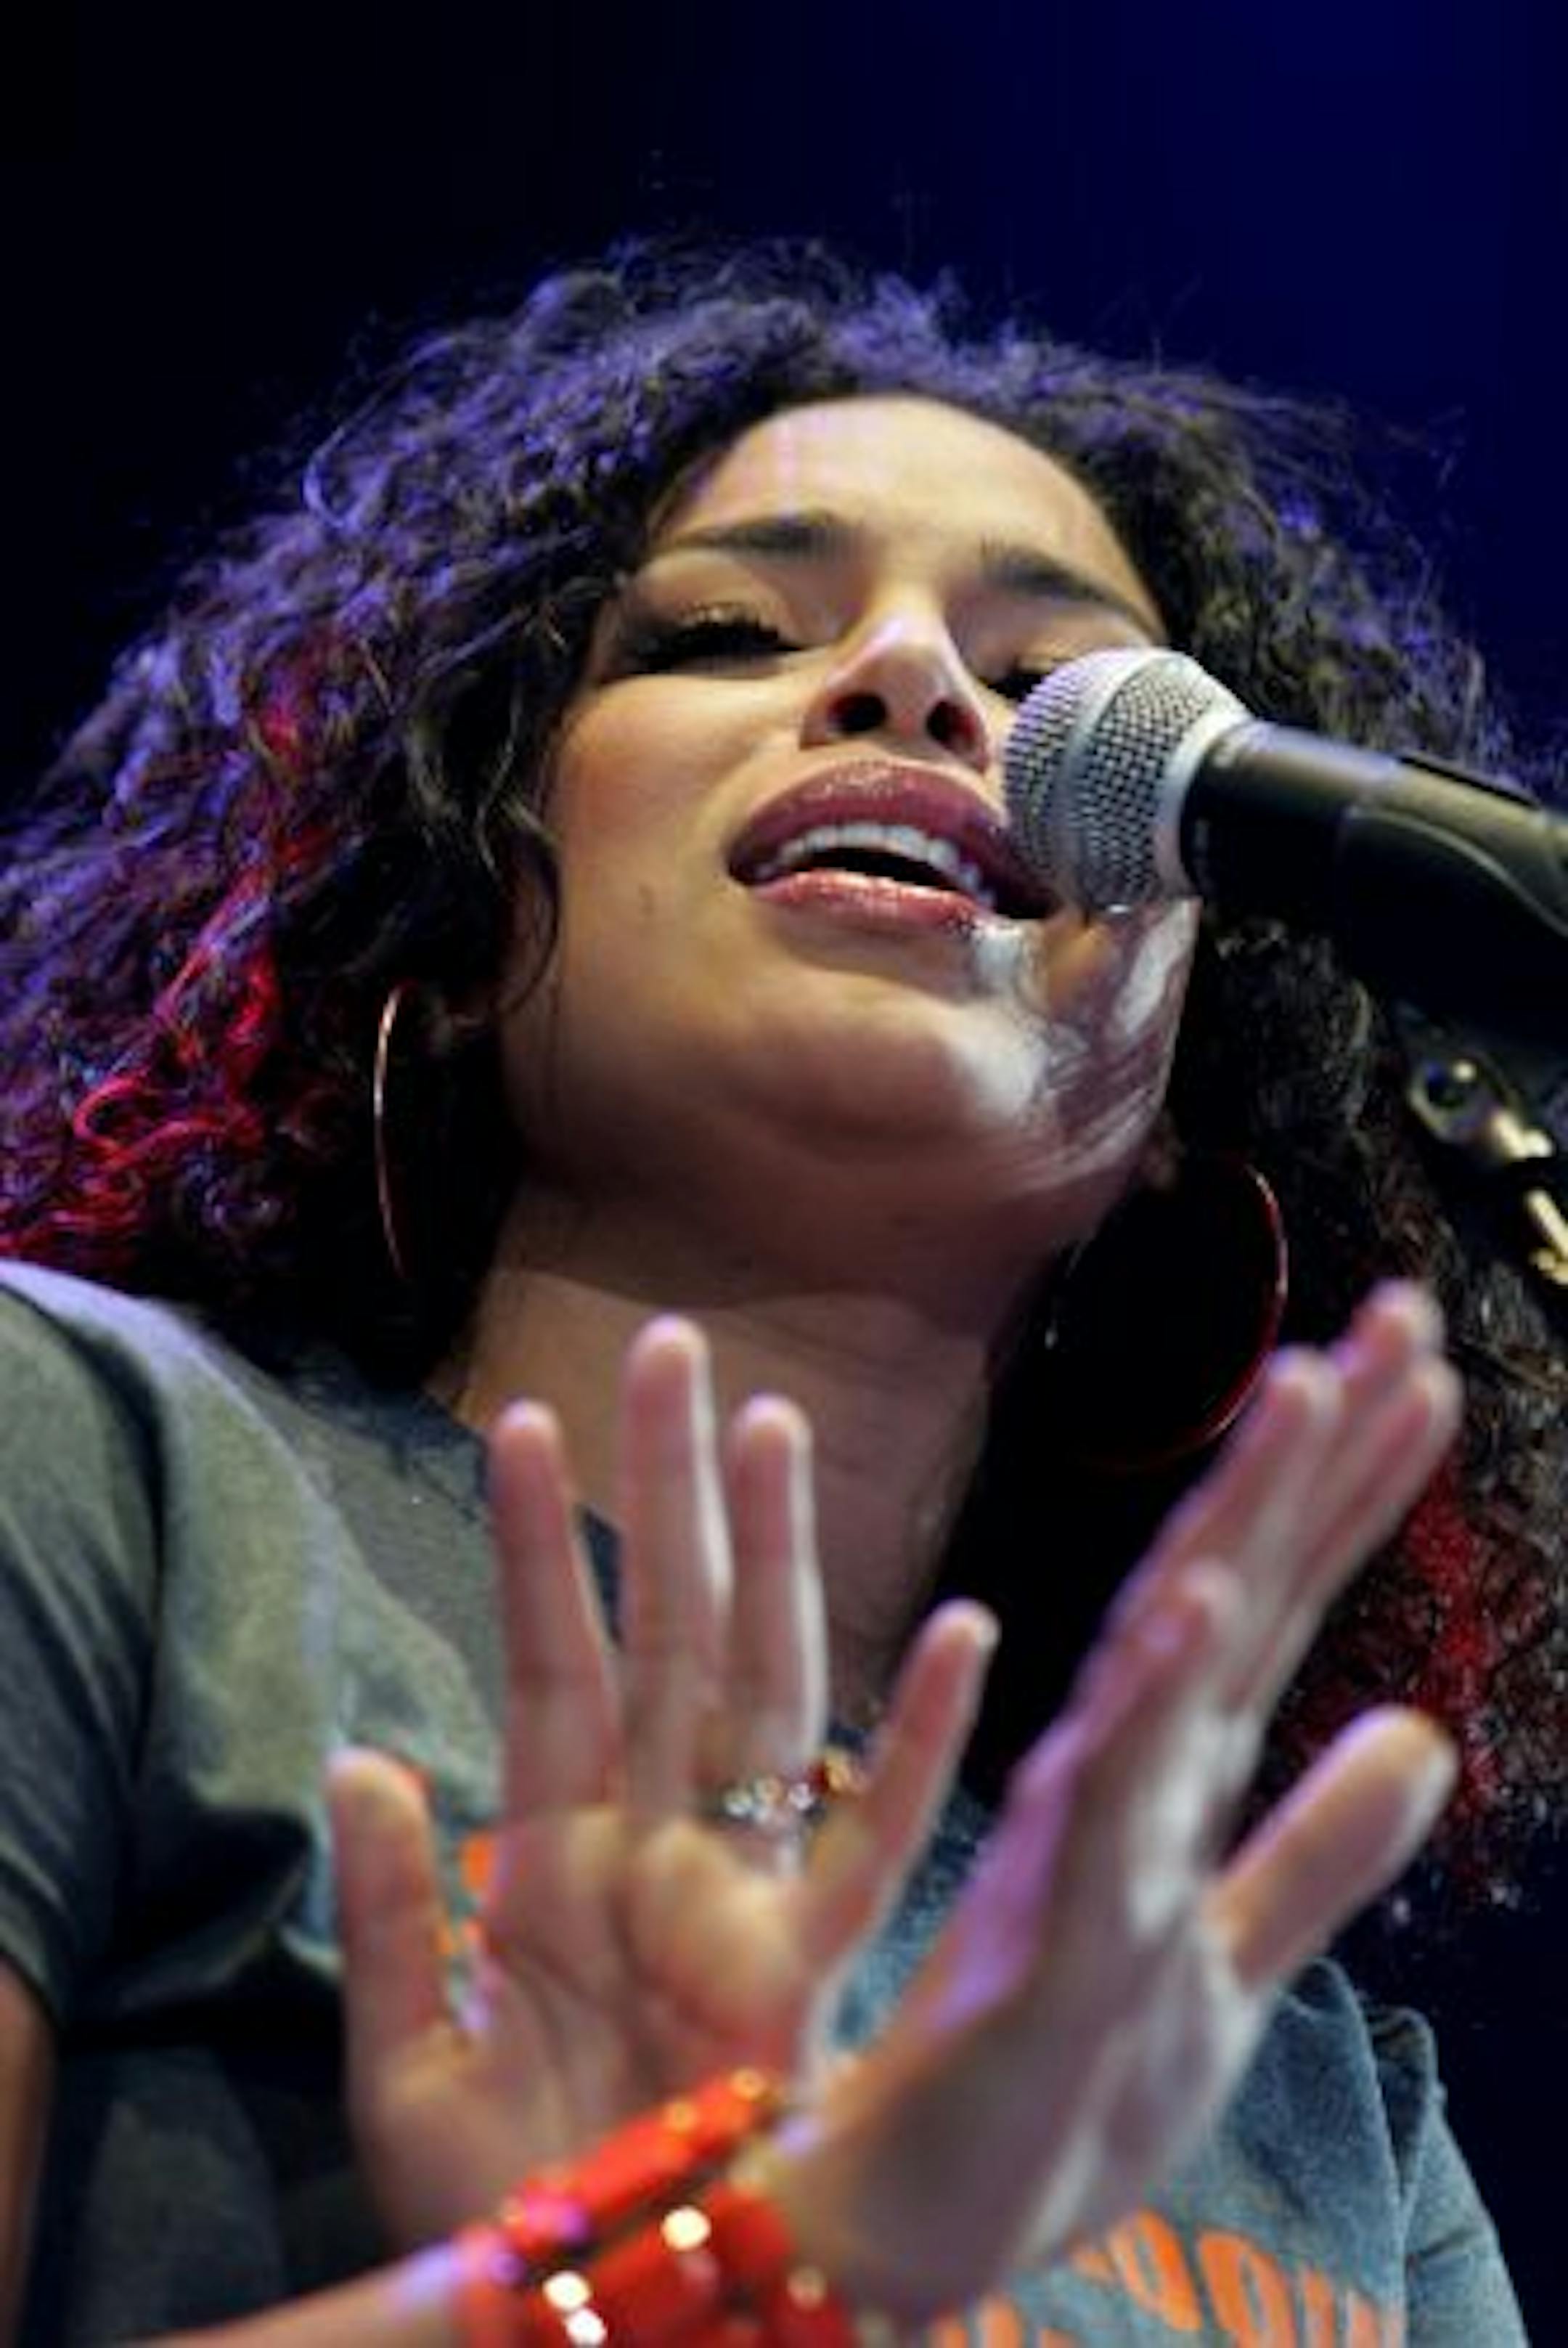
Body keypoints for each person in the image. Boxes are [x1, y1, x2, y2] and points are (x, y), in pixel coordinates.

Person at [0, 239, 1561, 2344]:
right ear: (450, 918)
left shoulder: (1314, 2099)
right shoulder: (88, 1467)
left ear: (1192, 1080)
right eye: (730, 629)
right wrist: (703, 2266)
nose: (920, 685)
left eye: (1062, 693)